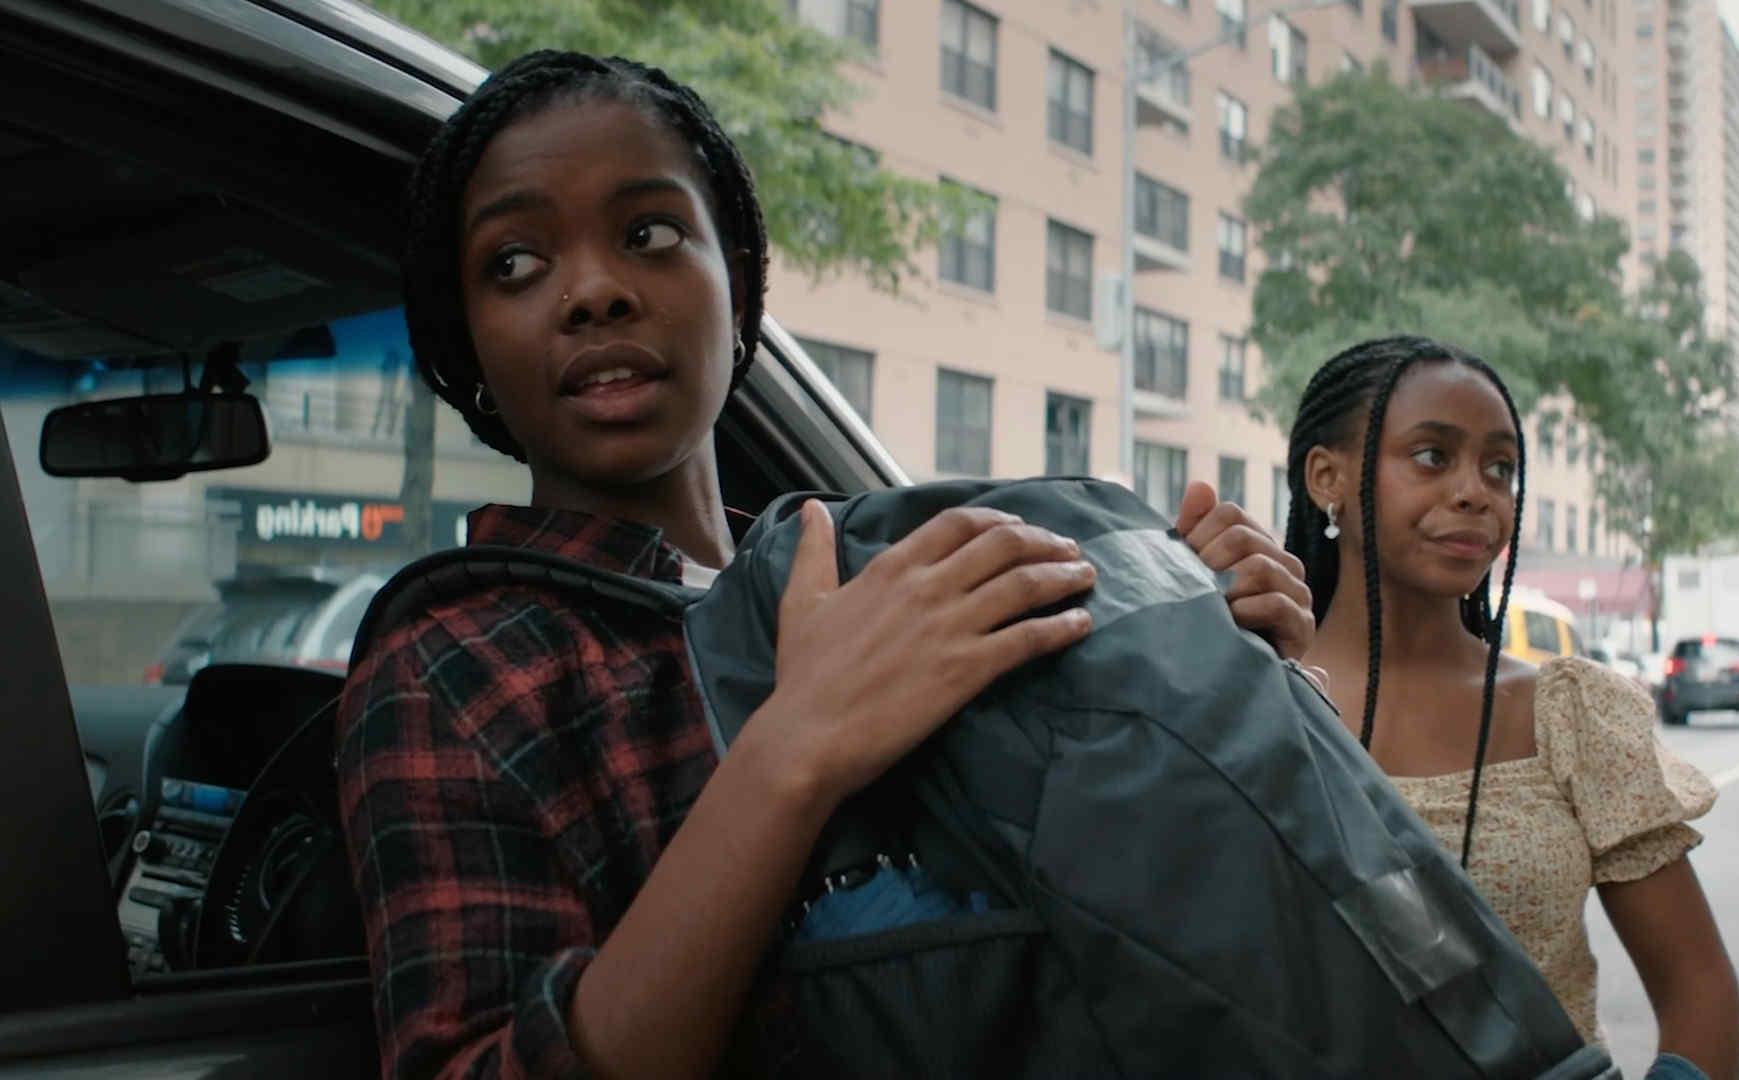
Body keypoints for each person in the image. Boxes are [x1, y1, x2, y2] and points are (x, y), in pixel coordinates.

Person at [337, 50, 1314, 1079]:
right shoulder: (448, 670)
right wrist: (792, 752)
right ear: (469, 342)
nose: (592, 291)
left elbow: (1134, 922)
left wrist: (1230, 675)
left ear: (738, 281)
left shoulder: (881, 569)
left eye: (651, 234)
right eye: (516, 264)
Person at [1280, 336, 1739, 1080]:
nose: (1477, 492)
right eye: (1433, 455)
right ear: (1327, 476)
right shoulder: (1252, 697)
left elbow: (1699, 987)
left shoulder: (1570, 714)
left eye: (1500, 468)